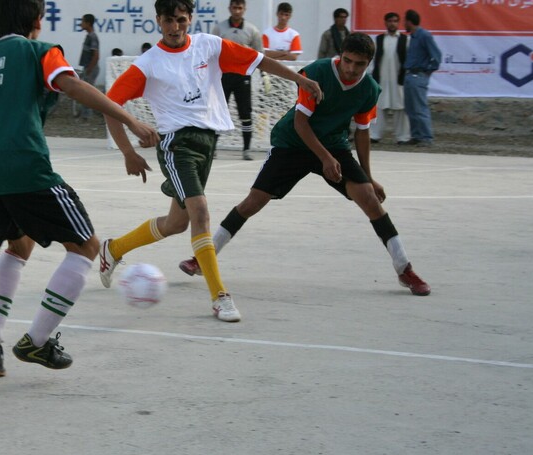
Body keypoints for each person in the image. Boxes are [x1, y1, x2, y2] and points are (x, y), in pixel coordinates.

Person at [0, 0, 158, 376]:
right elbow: (72, 86)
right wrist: (131, 120)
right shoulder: (39, 52)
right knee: (87, 247)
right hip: (23, 163)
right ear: (37, 21)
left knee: (19, 243)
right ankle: (38, 342)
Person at [102, 0, 323, 322]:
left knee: (176, 223)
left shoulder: (209, 46)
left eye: (180, 20)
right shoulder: (149, 64)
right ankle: (220, 297)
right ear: (158, 21)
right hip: (176, 145)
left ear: (190, 19)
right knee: (201, 213)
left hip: (207, 143)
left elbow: (258, 60)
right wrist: (128, 152)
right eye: (168, 20)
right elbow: (110, 105)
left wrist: (299, 79)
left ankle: (114, 248)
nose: (175, 27)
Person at [177, 33, 431, 297]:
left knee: (370, 200)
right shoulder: (317, 72)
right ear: (340, 55)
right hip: (293, 143)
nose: (351, 69)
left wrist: (368, 176)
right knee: (252, 202)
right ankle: (202, 259)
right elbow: (301, 123)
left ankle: (404, 269)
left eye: (359, 64)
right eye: (347, 61)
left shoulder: (369, 89)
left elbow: (362, 132)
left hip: (333, 145)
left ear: (368, 64)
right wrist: (324, 158)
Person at [211, 0, 264, 161]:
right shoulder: (220, 28)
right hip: (224, 75)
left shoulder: (252, 30)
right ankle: (212, 148)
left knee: (245, 113)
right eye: (234, 7)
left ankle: (246, 149)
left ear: (244, 9)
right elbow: (211, 50)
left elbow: (259, 54)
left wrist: (263, 75)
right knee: (219, 112)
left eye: (240, 8)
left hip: (243, 77)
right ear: (230, 8)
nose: (237, 11)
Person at [402, 9, 441, 147]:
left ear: (409, 21)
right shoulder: (412, 37)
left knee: (419, 107)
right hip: (409, 75)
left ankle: (426, 137)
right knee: (410, 107)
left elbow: (436, 56)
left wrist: (427, 71)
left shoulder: (424, 36)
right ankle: (416, 136)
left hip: (418, 75)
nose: (403, 24)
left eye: (404, 21)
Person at [371, 12, 410, 145]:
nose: (392, 23)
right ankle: (374, 135)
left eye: (395, 21)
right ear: (385, 23)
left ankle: (403, 137)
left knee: (401, 109)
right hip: (382, 79)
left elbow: (408, 60)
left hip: (399, 80)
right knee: (379, 108)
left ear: (398, 23)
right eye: (390, 21)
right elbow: (374, 60)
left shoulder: (405, 39)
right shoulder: (379, 39)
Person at [78, 13, 100, 119]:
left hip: (91, 68)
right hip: (87, 67)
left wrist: (89, 70)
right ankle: (84, 113)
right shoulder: (89, 36)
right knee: (84, 91)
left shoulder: (92, 37)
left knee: (87, 92)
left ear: (88, 23)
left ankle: (87, 115)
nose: (81, 24)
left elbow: (96, 56)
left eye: (82, 21)